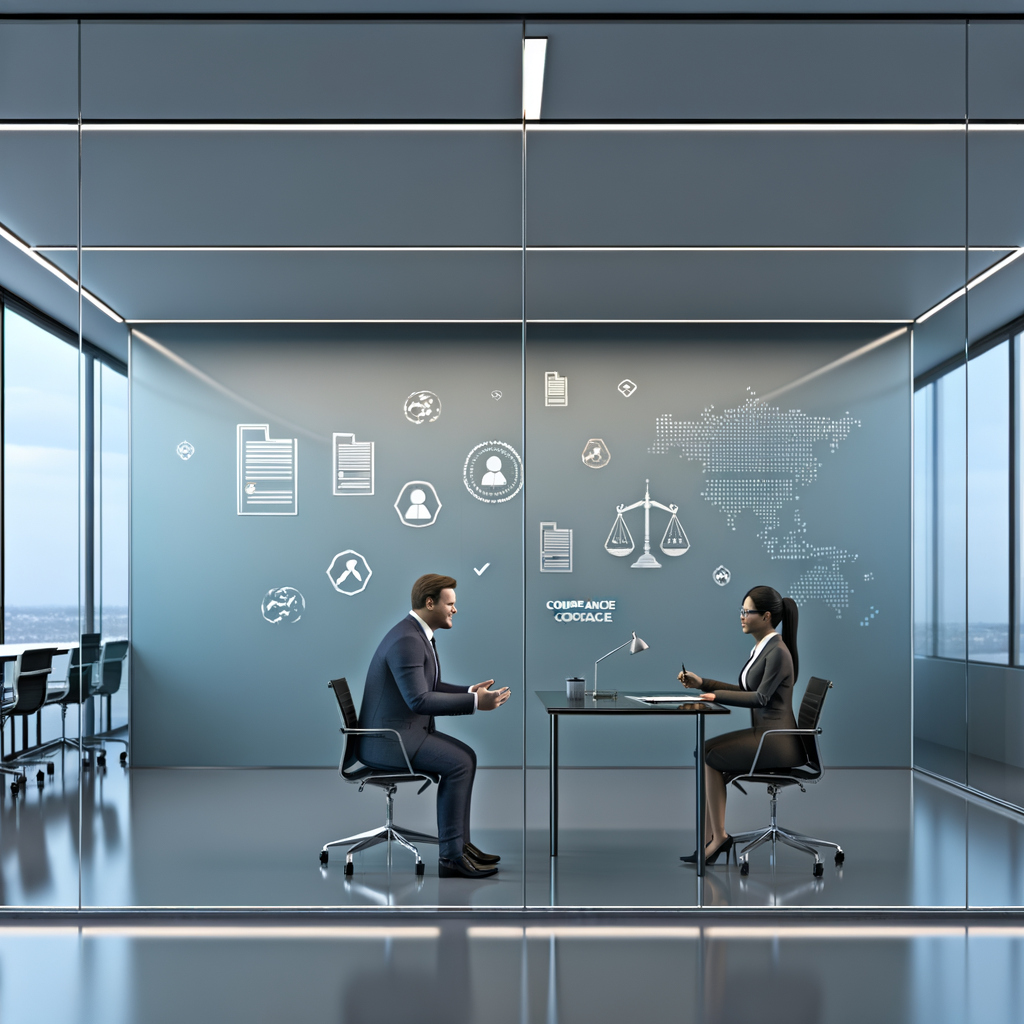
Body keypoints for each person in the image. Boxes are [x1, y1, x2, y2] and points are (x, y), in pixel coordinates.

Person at [358, 574, 511, 878]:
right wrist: (476, 703)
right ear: (430, 603)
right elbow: (419, 700)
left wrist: (469, 692)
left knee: (465, 757)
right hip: (390, 742)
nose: (455, 610)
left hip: (404, 733)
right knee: (460, 762)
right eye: (450, 603)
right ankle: (451, 858)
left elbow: (430, 685)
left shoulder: (415, 634)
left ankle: (460, 846)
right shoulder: (407, 640)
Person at [677, 585, 801, 865]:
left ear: (767, 616)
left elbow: (760, 698)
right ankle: (711, 838)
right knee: (705, 751)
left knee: (709, 755)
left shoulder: (778, 652)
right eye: (741, 611)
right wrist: (704, 683)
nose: (742, 616)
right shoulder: (763, 647)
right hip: (766, 735)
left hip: (777, 742)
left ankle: (718, 837)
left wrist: (716, 696)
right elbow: (745, 688)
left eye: (748, 612)